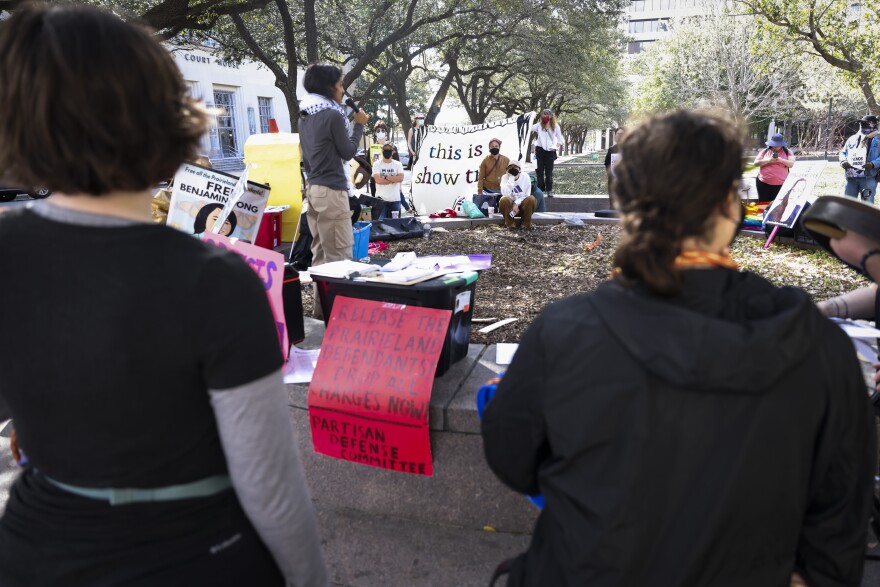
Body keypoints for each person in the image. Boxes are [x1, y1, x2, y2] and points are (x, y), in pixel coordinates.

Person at [0, 5, 327, 587]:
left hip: (33, 548)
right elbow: (270, 489)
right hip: (195, 554)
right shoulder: (216, 282)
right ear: (162, 117)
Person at [482, 109, 876, 587]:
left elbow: (513, 460)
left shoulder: (564, 331)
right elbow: (837, 536)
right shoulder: (820, 347)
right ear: (732, 205)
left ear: (626, 204)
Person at [299, 63, 368, 317]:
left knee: (321, 257)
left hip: (314, 191)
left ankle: (322, 315)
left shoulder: (305, 114)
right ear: (328, 87)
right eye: (340, 85)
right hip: (332, 192)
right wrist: (359, 125)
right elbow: (348, 151)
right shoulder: (332, 114)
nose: (342, 90)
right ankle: (341, 318)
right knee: (340, 257)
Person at [839, 115, 880, 204]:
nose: (862, 125)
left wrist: (873, 164)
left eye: (866, 123)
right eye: (861, 123)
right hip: (851, 178)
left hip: (868, 178)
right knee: (847, 205)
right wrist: (843, 161)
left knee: (867, 206)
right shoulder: (852, 139)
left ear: (874, 125)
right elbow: (843, 152)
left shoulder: (878, 139)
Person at [530, 108, 564, 198]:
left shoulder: (555, 127)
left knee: (549, 173)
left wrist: (556, 146)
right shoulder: (538, 126)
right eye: (543, 114)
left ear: (551, 116)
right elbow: (529, 127)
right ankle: (540, 191)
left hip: (550, 152)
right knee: (539, 171)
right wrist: (529, 117)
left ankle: (549, 190)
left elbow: (561, 140)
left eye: (547, 114)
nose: (545, 116)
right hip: (539, 151)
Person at [753, 133, 795, 202]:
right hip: (763, 183)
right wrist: (768, 160)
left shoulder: (788, 152)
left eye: (777, 145)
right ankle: (762, 213)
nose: (775, 147)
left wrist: (781, 160)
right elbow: (756, 163)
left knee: (776, 204)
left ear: (781, 144)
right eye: (773, 145)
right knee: (762, 204)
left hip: (780, 184)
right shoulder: (764, 151)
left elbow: (792, 165)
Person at [498, 162, 537, 229]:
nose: (513, 170)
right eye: (510, 168)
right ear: (507, 170)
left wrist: (516, 203)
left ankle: (525, 224)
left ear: (519, 169)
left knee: (531, 199)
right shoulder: (505, 177)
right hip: (509, 208)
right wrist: (511, 178)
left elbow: (526, 195)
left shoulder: (525, 177)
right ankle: (510, 224)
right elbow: (505, 193)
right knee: (504, 199)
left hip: (523, 206)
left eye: (515, 168)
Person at [372, 143, 404, 219]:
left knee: (395, 225)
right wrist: (394, 179)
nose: (387, 151)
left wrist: (385, 177)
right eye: (385, 149)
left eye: (389, 150)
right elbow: (378, 180)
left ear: (393, 152)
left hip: (395, 200)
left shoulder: (398, 164)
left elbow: (400, 178)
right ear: (382, 151)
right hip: (381, 200)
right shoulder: (376, 164)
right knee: (381, 225)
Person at [603, 127, 624, 199]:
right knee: (613, 203)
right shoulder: (612, 149)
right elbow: (607, 163)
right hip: (613, 182)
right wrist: (610, 173)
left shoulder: (631, 148)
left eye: (622, 134)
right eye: (618, 134)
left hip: (627, 183)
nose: (619, 136)